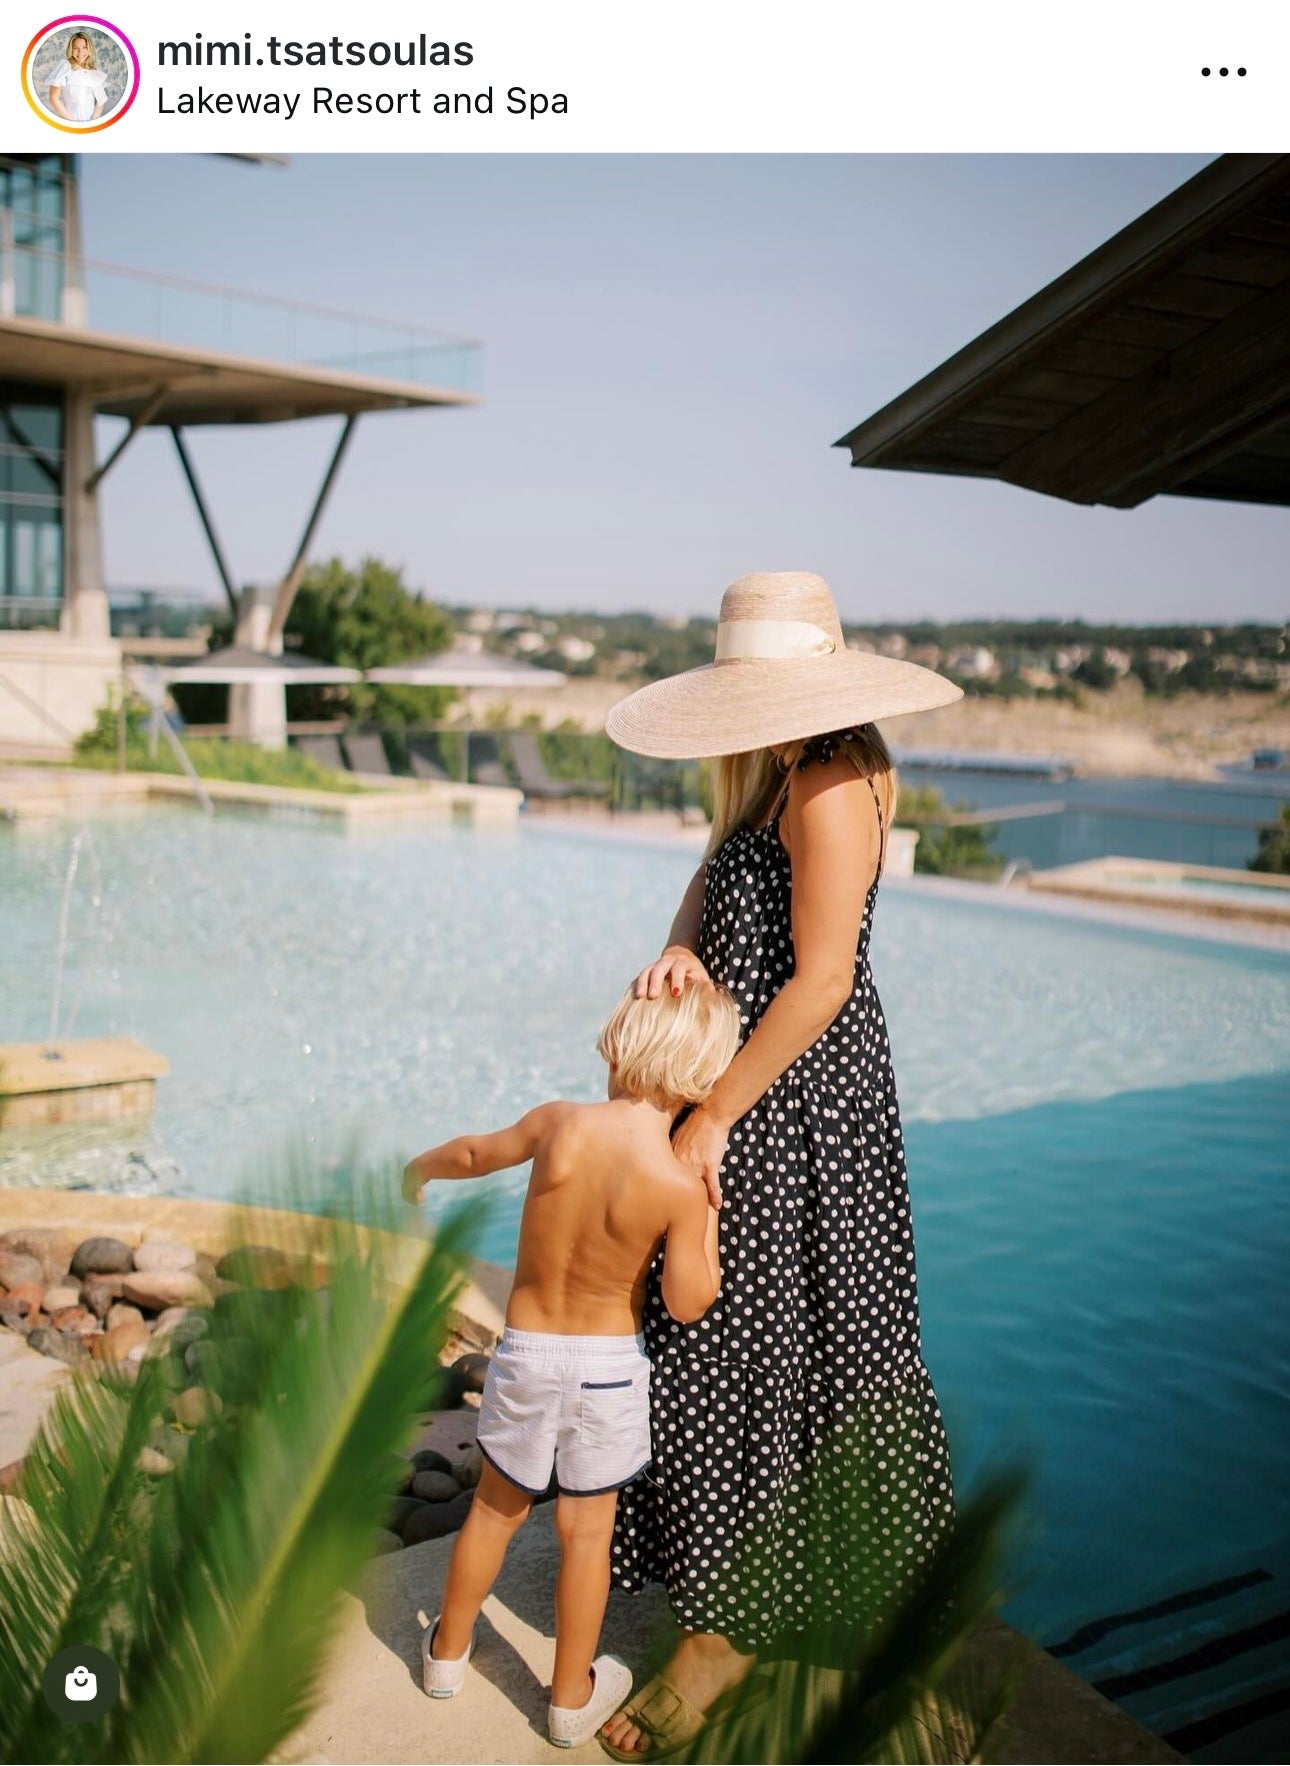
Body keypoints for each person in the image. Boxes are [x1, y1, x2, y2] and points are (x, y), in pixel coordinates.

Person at [599, 572, 963, 1759]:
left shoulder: (835, 776)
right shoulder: (776, 769)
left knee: (799, 1345)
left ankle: (752, 1629)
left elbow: (822, 979)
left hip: (799, 1104)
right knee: (734, 1335)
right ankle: (738, 1599)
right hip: (750, 1085)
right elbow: (710, 879)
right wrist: (676, 956)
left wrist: (709, 1123)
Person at [402, 978, 741, 1750]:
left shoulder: (559, 1126)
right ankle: (568, 1699)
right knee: (587, 1535)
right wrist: (711, 1216)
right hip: (608, 1371)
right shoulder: (678, 1184)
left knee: (494, 1510)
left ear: (624, 1041)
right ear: (701, 1076)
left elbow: (473, 1153)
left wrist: (418, 1170)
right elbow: (689, 1302)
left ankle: (446, 1655)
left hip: (526, 1354)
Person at [47, 32, 109, 124]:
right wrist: (72, 122)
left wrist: (93, 121)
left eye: (84, 47)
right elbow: (53, 98)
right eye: (76, 48)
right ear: (71, 49)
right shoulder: (65, 67)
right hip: (70, 122)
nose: (80, 52)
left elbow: (101, 100)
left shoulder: (93, 70)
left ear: (89, 49)